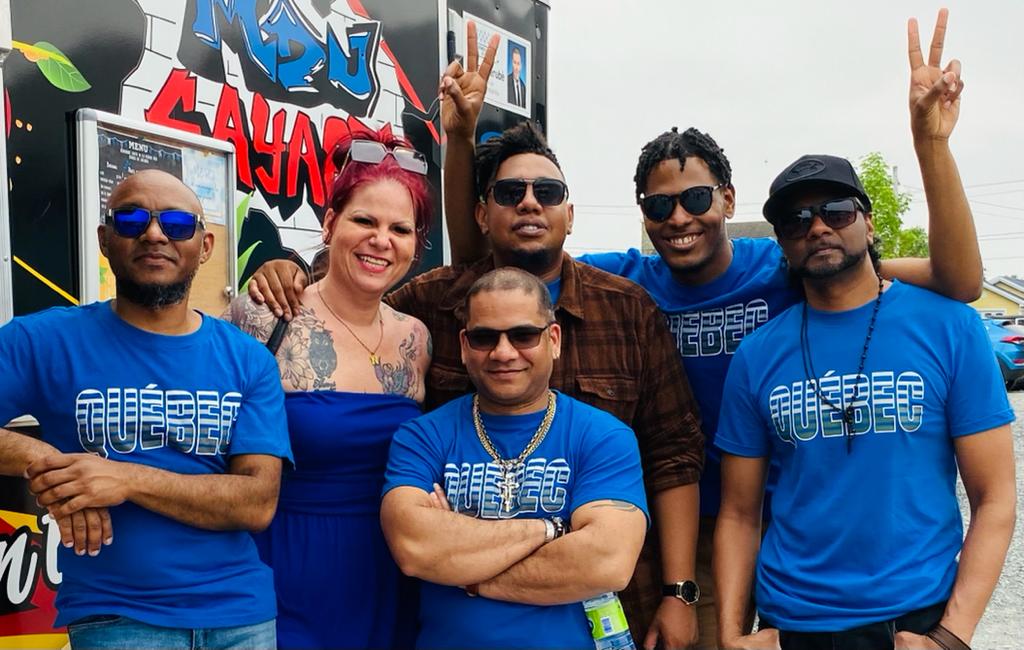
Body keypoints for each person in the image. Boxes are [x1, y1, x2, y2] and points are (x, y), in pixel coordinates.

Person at [436, 11, 984, 648]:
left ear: (727, 199)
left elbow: (956, 278)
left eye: (696, 199)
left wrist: (931, 144)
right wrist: (460, 142)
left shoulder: (785, 263)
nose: (679, 219)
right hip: (671, 519)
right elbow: (490, 264)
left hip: (774, 521)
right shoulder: (628, 283)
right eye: (659, 205)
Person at [247, 25, 704, 646]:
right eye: (510, 193)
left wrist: (680, 592)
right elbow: (356, 291)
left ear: (571, 213)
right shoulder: (431, 305)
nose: (530, 203)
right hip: (399, 597)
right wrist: (291, 267)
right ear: (483, 213)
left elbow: (674, 456)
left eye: (548, 192)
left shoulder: (627, 310)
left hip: (589, 614)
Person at [713, 161, 1015, 648]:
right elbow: (739, 513)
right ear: (783, 243)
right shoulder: (756, 355)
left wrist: (951, 636)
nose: (817, 227)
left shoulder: (949, 327)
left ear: (868, 223)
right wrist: (730, 636)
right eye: (796, 220)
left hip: (912, 622)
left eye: (836, 211)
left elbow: (995, 497)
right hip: (792, 625)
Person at [0, 170, 291, 649]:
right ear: (104, 239)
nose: (154, 234)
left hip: (241, 617)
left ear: (205, 246)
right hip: (118, 618)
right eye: (132, 219)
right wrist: (52, 464)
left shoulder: (248, 360)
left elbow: (257, 502)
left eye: (177, 224)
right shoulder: (44, 341)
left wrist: (124, 479)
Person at [225, 127, 433, 649]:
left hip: (388, 572)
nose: (381, 240)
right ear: (330, 223)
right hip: (280, 569)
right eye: (364, 220)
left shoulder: (418, 338)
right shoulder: (263, 315)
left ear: (415, 246)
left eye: (400, 229)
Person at [381, 267, 648, 649]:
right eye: (484, 337)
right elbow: (414, 547)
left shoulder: (603, 436)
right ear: (464, 345)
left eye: (523, 335)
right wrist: (552, 530)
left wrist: (465, 571)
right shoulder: (422, 436)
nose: (503, 353)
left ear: (553, 339)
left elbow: (606, 562)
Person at [507, 44, 526, 108]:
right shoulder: (506, 82)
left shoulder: (524, 87)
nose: (516, 68)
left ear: (521, 66)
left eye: (518, 63)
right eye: (514, 63)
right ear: (512, 63)